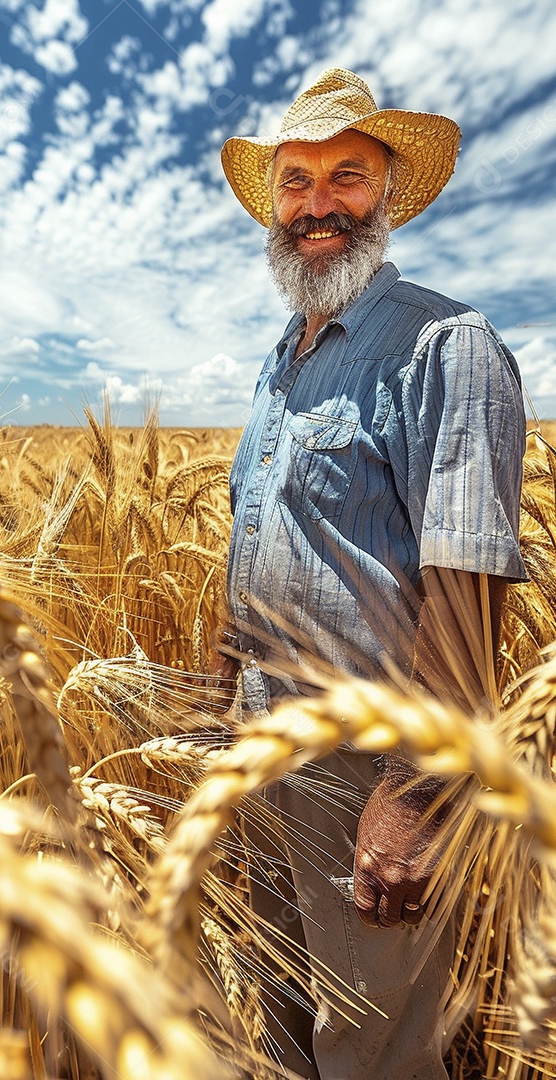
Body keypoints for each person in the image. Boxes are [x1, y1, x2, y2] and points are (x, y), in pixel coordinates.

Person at [214, 68, 528, 1079]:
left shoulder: (448, 345)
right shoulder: (279, 365)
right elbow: (252, 556)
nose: (319, 205)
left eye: (346, 177)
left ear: (387, 194)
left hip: (368, 775)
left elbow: (470, 587)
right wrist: (219, 728)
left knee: (375, 1051)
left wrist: (414, 794)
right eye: (296, 182)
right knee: (282, 1025)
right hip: (260, 760)